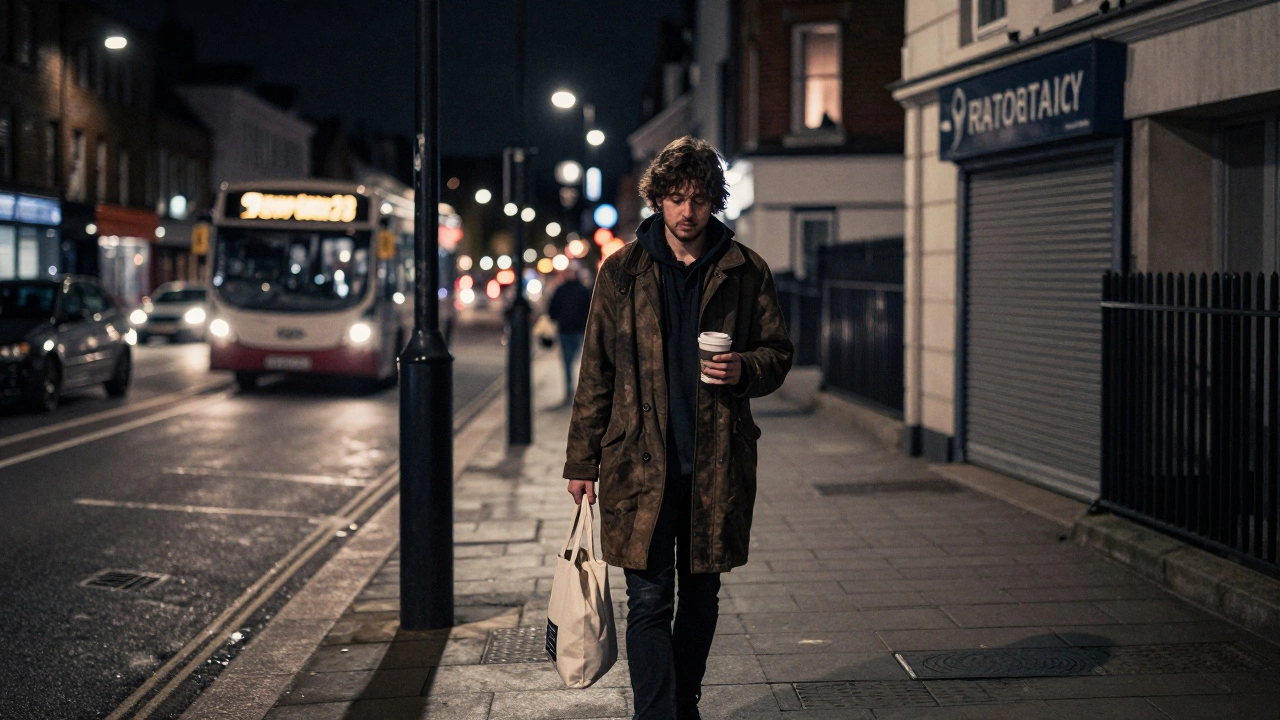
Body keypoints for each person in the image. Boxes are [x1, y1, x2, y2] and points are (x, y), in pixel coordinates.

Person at [563, 136, 793, 719]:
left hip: (714, 463)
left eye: (697, 198)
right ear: (658, 200)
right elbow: (596, 370)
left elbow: (778, 353)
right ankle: (659, 715)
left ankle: (680, 703)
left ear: (712, 200)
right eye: (674, 198)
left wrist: (746, 367)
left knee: (700, 599)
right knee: (646, 601)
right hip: (638, 463)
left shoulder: (745, 271)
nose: (686, 211)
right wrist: (580, 462)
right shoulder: (622, 272)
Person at [546, 266, 593, 406]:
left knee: (570, 360)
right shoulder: (581, 290)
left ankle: (572, 389)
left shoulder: (563, 289)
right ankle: (572, 389)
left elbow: (552, 309)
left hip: (571, 329)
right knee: (572, 360)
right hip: (571, 329)